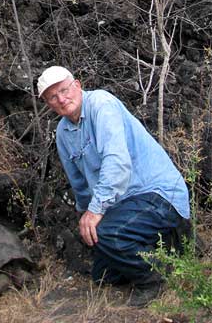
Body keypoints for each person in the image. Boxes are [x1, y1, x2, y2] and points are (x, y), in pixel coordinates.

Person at [37, 66, 190, 307]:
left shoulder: (101, 104)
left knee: (109, 234)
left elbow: (117, 163)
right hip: (124, 204)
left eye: (64, 90)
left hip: (157, 194)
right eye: (53, 97)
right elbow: (80, 184)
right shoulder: (63, 133)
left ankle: (155, 277)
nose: (61, 98)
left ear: (77, 85)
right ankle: (165, 245)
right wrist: (86, 217)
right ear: (48, 104)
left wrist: (96, 212)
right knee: (104, 275)